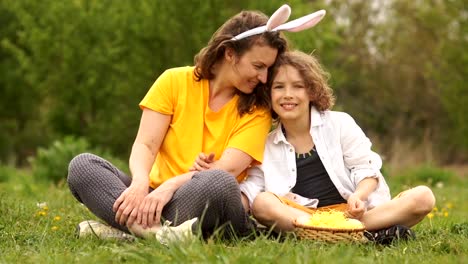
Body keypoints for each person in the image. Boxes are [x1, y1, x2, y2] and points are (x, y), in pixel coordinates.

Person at [67, 8, 289, 243]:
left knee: (220, 182)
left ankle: (131, 231)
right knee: (83, 166)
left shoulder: (257, 109)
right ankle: (162, 235)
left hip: (202, 199)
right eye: (258, 66)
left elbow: (228, 169)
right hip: (154, 198)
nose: (264, 78)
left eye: (268, 68)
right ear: (230, 53)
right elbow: (145, 145)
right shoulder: (173, 81)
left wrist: (169, 187)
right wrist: (140, 184)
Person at [194, 50, 436, 245]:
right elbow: (252, 189)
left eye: (297, 86)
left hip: (355, 216)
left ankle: (344, 234)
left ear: (311, 91)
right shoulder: (265, 142)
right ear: (268, 94)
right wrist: (213, 183)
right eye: (279, 87)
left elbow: (367, 170)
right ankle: (364, 236)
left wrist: (358, 196)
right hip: (304, 218)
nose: (288, 95)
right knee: (262, 203)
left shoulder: (340, 123)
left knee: (423, 197)